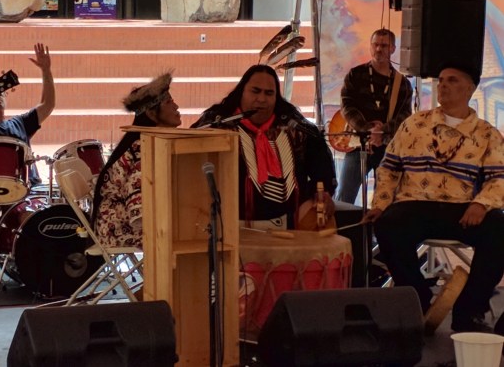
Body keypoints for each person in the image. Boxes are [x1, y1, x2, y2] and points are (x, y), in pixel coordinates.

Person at [364, 66, 504, 333]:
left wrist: (481, 204)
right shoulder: (414, 124)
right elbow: (389, 168)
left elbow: (499, 178)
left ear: (470, 88)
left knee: (499, 229)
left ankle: (469, 311)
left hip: (461, 208)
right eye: (441, 81)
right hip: (415, 204)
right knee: (388, 224)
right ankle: (419, 301)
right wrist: (380, 205)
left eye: (452, 80)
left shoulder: (487, 134)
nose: (443, 85)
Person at [193, 64, 337, 229]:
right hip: (228, 226)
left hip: (288, 226)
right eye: (255, 91)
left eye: (269, 93)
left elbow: (323, 171)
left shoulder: (295, 128)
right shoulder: (217, 124)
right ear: (241, 92)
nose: (262, 99)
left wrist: (321, 193)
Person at [92, 72, 181, 249]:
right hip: (118, 228)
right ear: (151, 113)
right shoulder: (142, 149)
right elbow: (139, 213)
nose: (176, 106)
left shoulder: (148, 143)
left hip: (124, 222)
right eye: (168, 102)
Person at [335, 28, 413, 204]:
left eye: (384, 46)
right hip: (358, 144)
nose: (379, 49)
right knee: (345, 197)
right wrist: (367, 129)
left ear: (393, 49)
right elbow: (346, 106)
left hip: (387, 148)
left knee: (384, 201)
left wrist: (382, 132)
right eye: (375, 44)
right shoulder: (355, 75)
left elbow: (404, 117)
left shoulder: (402, 84)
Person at [0, 43, 55, 188]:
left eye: (0, 92)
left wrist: (46, 70)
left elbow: (48, 104)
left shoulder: (20, 122)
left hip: (31, 189)